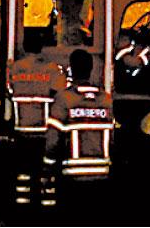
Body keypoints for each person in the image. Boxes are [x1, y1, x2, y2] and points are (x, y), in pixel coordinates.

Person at [42, 49, 114, 207]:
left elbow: (53, 141)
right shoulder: (106, 100)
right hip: (102, 175)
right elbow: (112, 138)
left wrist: (48, 167)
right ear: (91, 69)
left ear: (71, 70)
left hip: (73, 177)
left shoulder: (64, 99)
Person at [8, 31, 67, 206]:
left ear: (24, 47)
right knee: (46, 170)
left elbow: (10, 90)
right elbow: (61, 92)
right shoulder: (52, 69)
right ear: (42, 49)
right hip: (44, 130)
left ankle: (22, 204)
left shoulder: (14, 68)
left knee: (23, 170)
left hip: (22, 129)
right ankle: (46, 206)